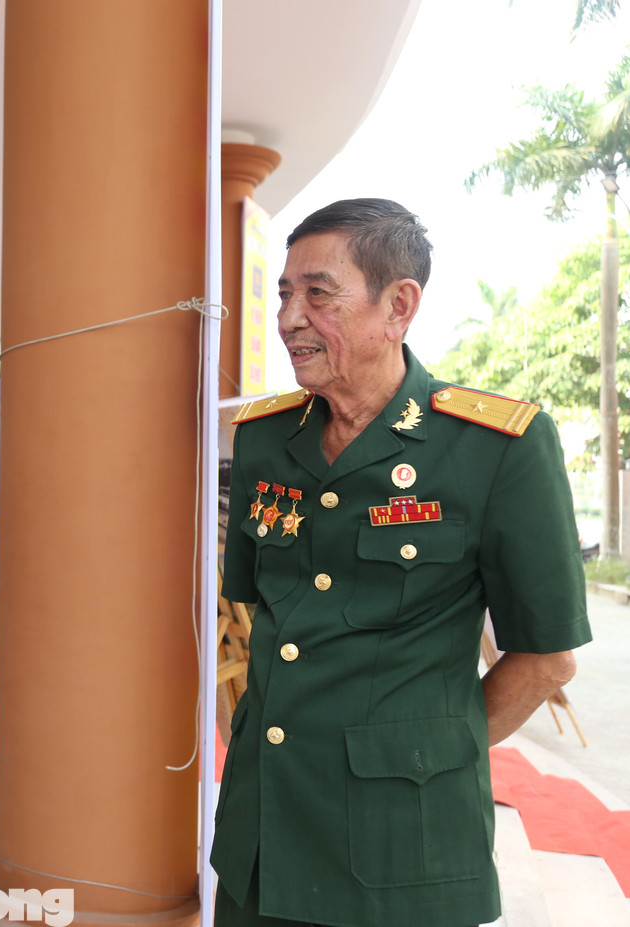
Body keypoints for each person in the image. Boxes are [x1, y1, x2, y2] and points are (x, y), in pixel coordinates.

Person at [212, 198, 591, 927]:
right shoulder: (263, 439)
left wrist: (424, 759)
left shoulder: (495, 446)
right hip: (263, 836)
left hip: (402, 853)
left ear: (399, 305)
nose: (290, 317)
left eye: (317, 293)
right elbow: (267, 614)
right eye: (285, 294)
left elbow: (546, 659)